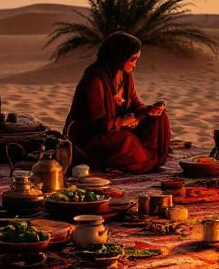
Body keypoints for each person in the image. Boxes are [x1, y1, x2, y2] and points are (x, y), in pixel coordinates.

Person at [64, 31, 171, 174]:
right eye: (132, 60)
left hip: (120, 128)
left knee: (159, 118)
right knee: (126, 140)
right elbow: (96, 124)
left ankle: (147, 159)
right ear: (119, 57)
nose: (135, 65)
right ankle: (137, 162)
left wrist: (149, 110)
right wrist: (122, 122)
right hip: (91, 138)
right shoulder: (95, 80)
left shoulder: (125, 75)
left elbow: (135, 104)